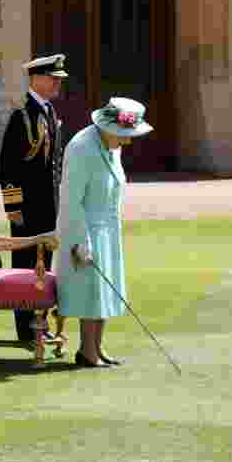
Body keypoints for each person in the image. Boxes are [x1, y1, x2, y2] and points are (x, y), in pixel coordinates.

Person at [54, 97, 153, 368]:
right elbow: (71, 199)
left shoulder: (111, 144)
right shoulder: (81, 147)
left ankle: (98, 347)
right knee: (91, 290)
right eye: (123, 135)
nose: (127, 142)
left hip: (107, 227)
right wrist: (80, 239)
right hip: (84, 226)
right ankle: (87, 351)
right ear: (106, 126)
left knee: (106, 290)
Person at [0, 54, 66, 344]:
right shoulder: (22, 116)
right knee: (26, 266)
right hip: (27, 208)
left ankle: (39, 321)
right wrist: (13, 207)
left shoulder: (49, 112)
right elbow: (8, 166)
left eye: (59, 79)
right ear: (36, 79)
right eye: (53, 78)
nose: (57, 84)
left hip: (49, 206)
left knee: (44, 265)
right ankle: (26, 329)